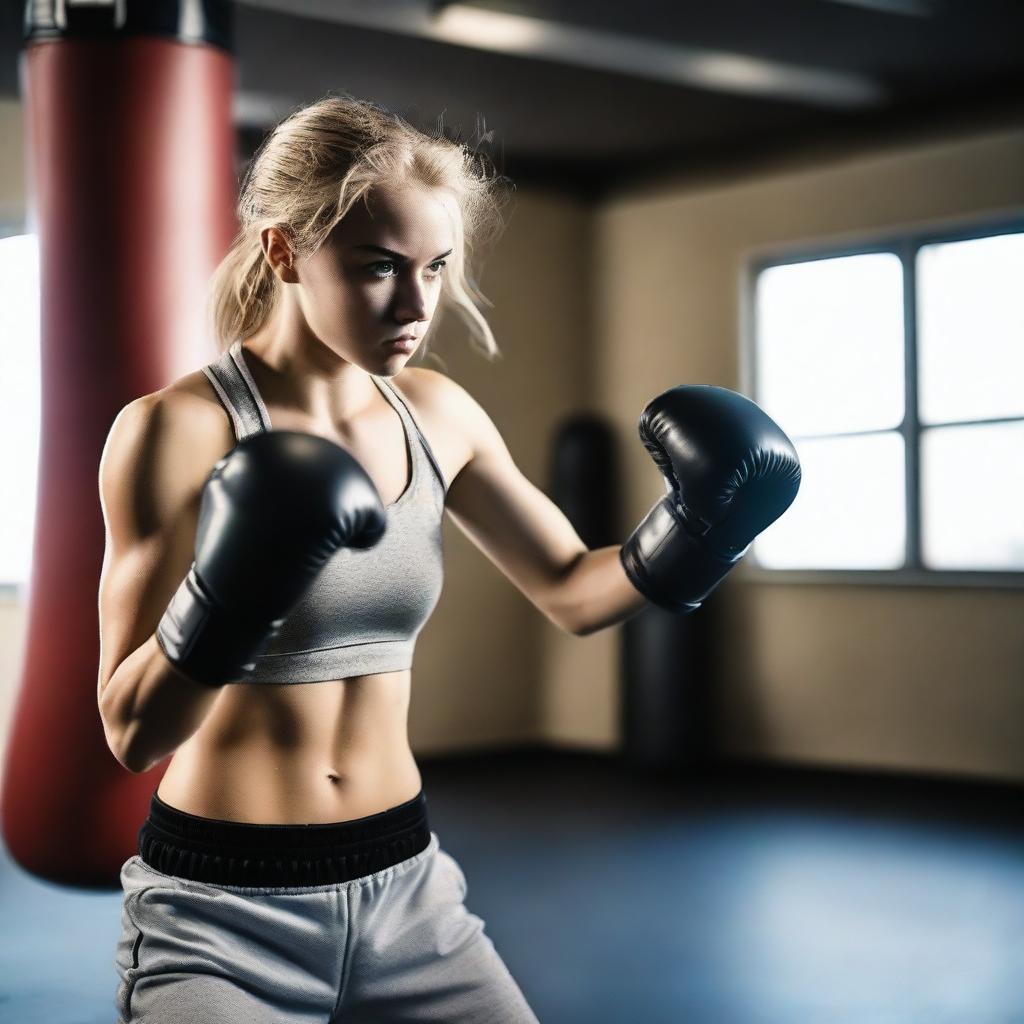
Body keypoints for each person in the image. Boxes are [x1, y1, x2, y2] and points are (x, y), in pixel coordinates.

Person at [97, 93, 800, 1024]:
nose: (418, 304)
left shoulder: (436, 415)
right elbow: (129, 731)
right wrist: (229, 593)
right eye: (379, 268)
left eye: (435, 267)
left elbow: (571, 589)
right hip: (224, 913)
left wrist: (694, 531)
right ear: (283, 251)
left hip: (410, 894)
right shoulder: (175, 430)